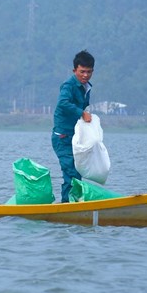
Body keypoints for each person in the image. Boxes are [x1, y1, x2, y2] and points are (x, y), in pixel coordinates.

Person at [52, 49, 94, 203]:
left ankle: (73, 203)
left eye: (89, 72)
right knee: (71, 172)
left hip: (75, 136)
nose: (85, 75)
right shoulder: (68, 85)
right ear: (74, 70)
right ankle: (66, 206)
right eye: (82, 71)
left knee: (77, 172)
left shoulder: (86, 87)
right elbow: (63, 103)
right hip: (62, 137)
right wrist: (82, 113)